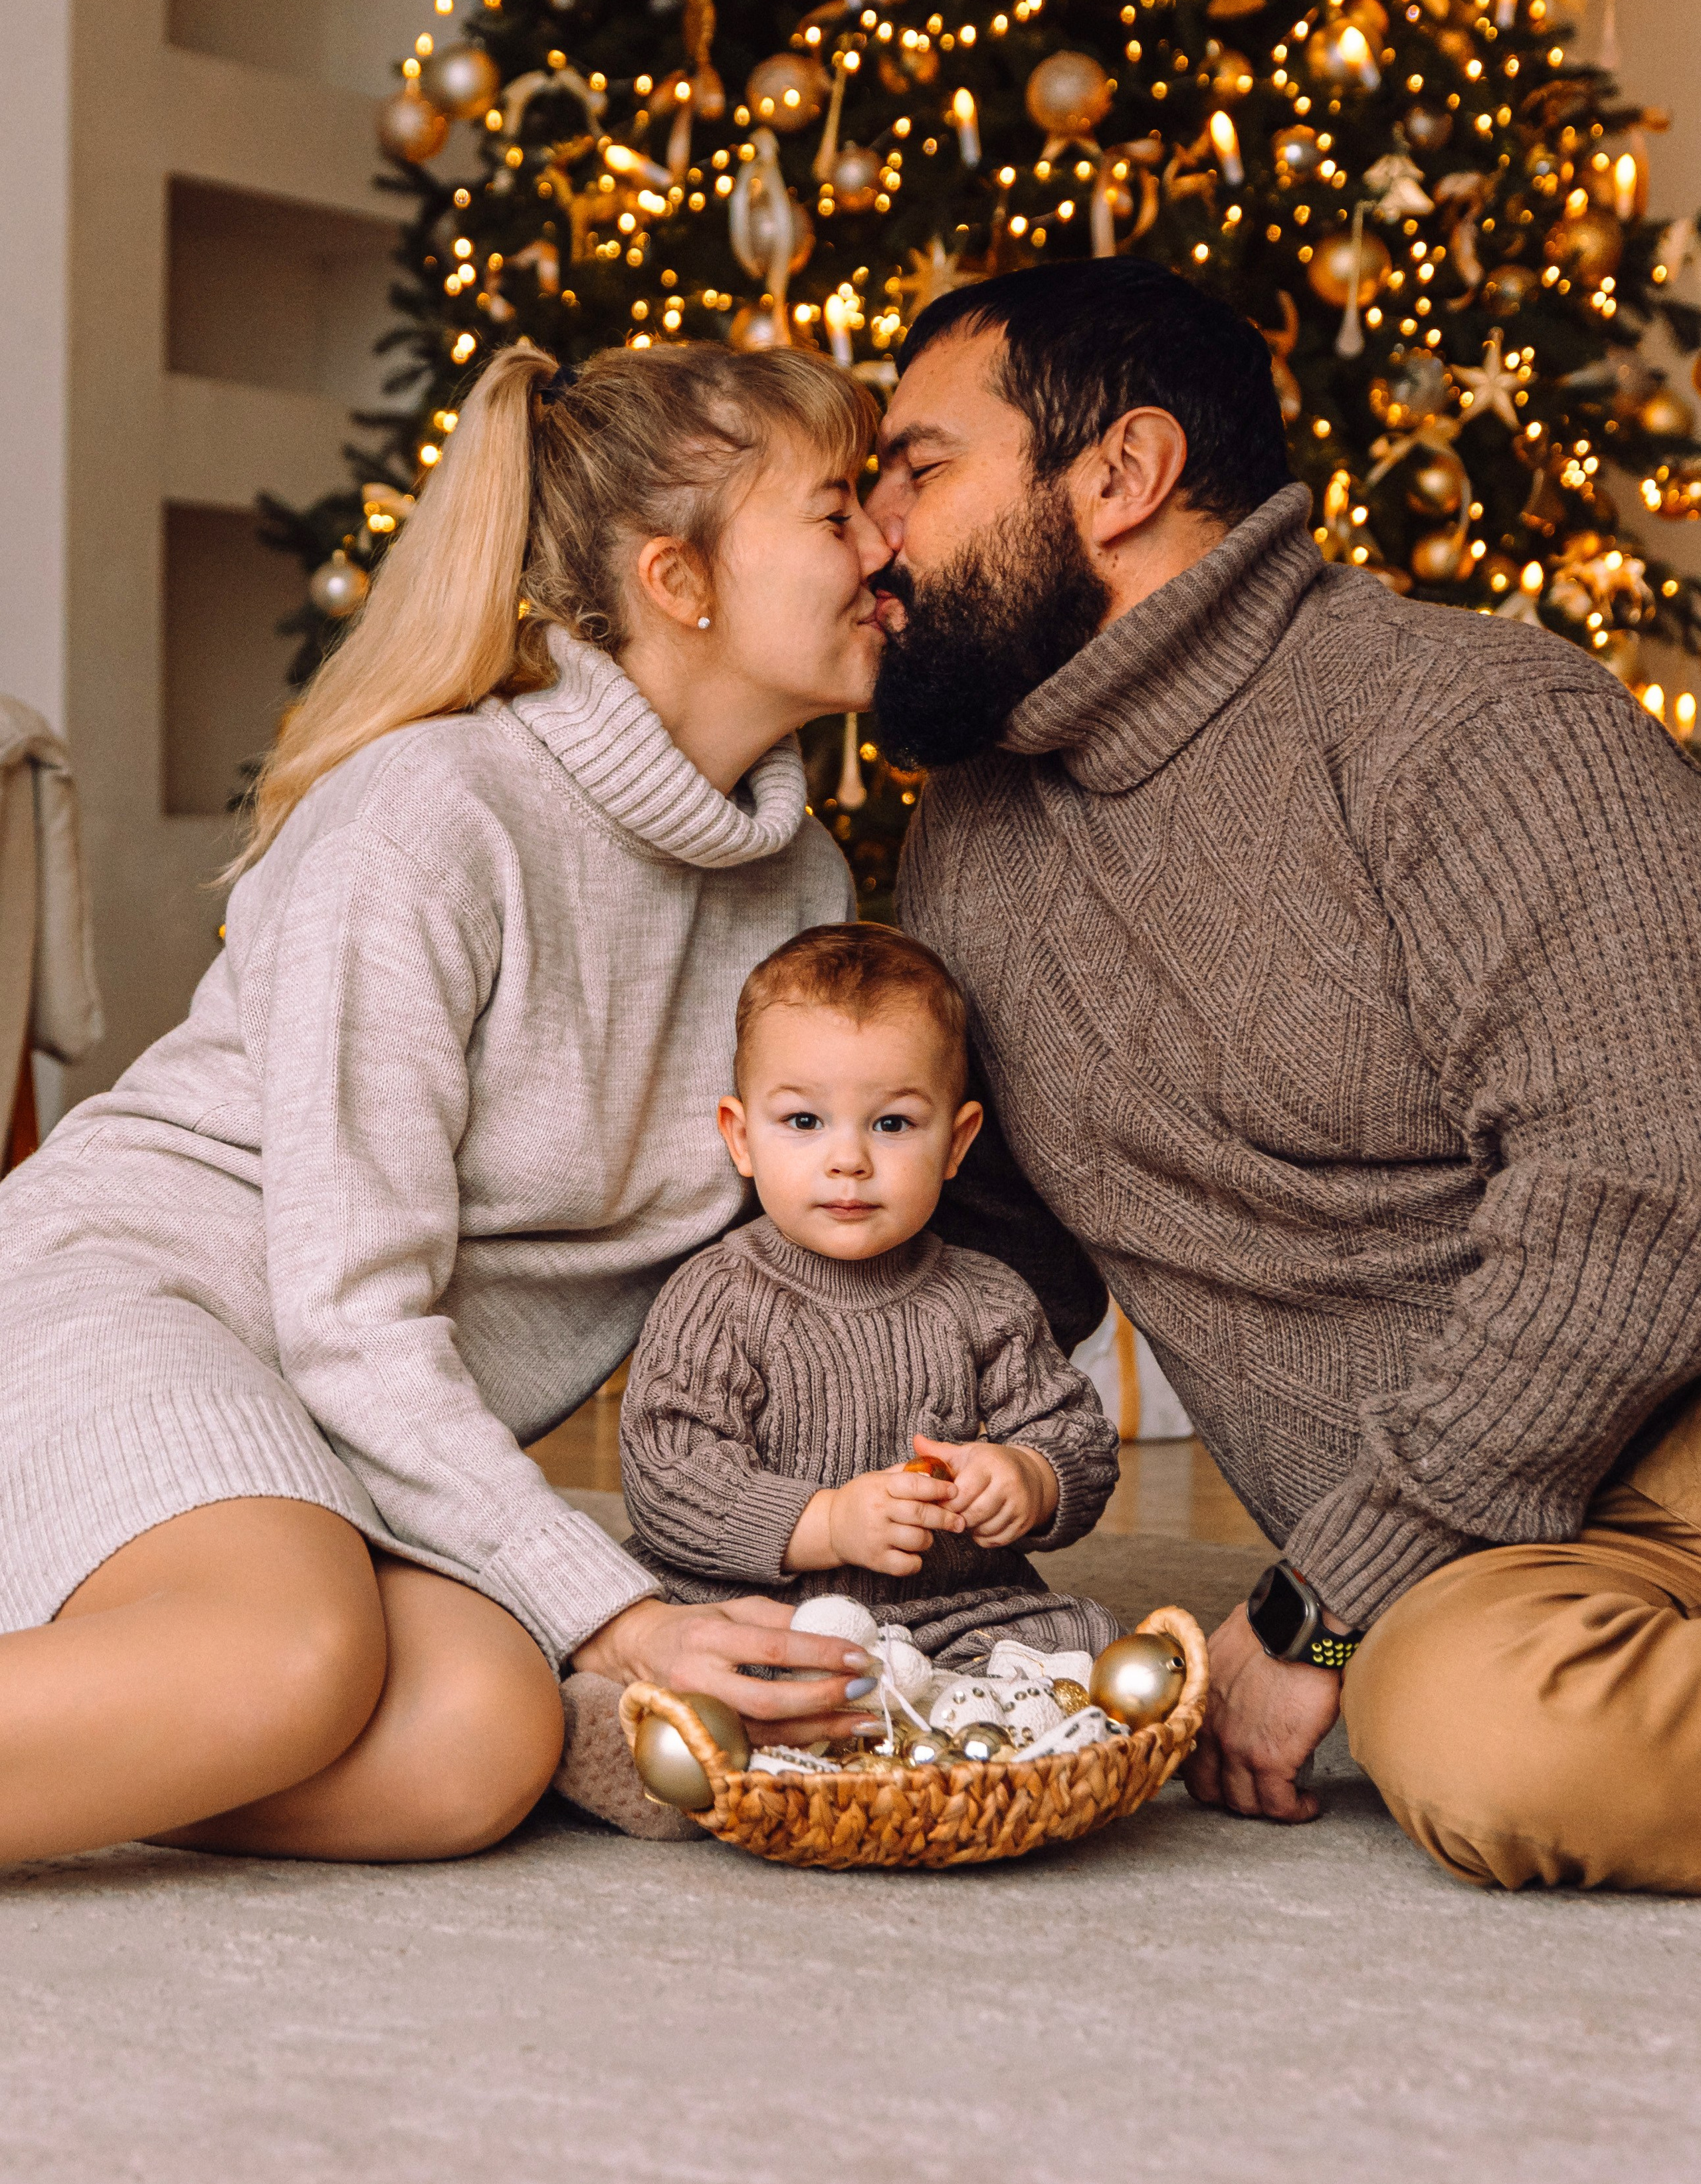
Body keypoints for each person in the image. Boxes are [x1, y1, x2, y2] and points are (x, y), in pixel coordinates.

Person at [0, 340, 900, 1866]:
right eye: (834, 511)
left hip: (344, 1433)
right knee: (287, 1657)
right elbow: (346, 1313)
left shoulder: (798, 888)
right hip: (141, 1306)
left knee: (479, 1732)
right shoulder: (432, 816)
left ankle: (110, 1709)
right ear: (679, 582)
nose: (887, 547)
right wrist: (611, 1611)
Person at [869, 255, 1701, 1894]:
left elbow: (1645, 1195)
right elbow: (977, 1265)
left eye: (915, 466)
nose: (871, 527)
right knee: (1481, 1738)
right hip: (1505, 1552)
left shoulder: (1466, 720)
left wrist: (1322, 1602)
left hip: (1657, 1429)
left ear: (1117, 476)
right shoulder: (961, 843)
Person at [617, 921, 1120, 1667]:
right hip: (763, 1605)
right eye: (804, 1120)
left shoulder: (988, 1298)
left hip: (947, 1607)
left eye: (891, 1123)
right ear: (741, 1135)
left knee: (1086, 1637)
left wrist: (1029, 1475)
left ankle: (924, 1718)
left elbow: (1074, 1432)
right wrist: (824, 1521)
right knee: (693, 1644)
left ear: (954, 1141)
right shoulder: (718, 1294)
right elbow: (668, 1472)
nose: (847, 1159)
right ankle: (872, 1711)